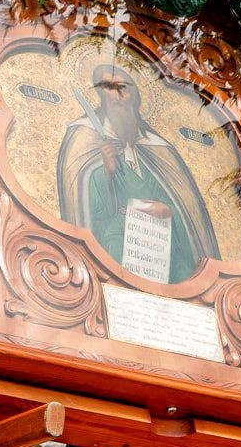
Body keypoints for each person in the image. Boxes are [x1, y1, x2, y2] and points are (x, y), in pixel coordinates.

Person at [55, 60, 221, 281]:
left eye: (124, 87)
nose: (118, 95)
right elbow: (84, 204)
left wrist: (169, 210)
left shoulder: (159, 147)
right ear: (100, 95)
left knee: (184, 274)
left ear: (135, 95)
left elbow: (187, 205)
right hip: (118, 239)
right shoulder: (84, 135)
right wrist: (107, 171)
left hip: (164, 245)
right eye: (109, 87)